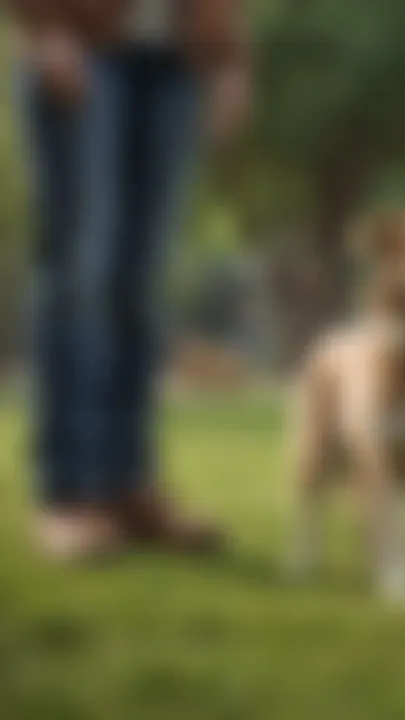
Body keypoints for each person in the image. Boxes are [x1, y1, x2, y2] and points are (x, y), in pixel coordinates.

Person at [8, 1, 252, 559]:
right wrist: (43, 30)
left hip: (173, 62)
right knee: (81, 275)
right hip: (80, 48)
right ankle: (69, 495)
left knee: (141, 284)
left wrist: (230, 58)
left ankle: (128, 486)